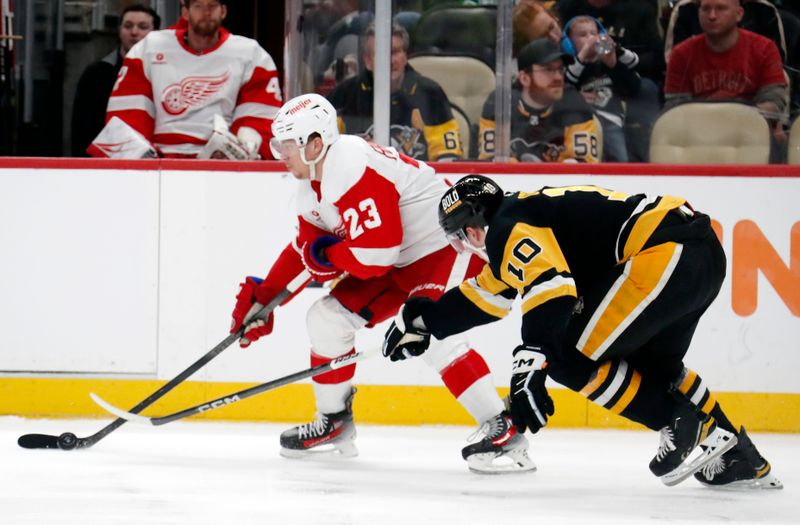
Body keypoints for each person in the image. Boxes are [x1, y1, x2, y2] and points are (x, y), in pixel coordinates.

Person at [383, 174, 783, 489]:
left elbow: (551, 288)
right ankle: (738, 458)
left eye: (457, 239)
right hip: (697, 253)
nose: (463, 248)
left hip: (664, 255)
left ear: (471, 229)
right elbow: (485, 296)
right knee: (650, 365)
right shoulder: (521, 216)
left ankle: (676, 421)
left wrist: (532, 360)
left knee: (564, 353)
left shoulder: (507, 226)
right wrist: (421, 323)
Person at [230, 93, 533, 474]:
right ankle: (335, 422)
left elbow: (375, 254)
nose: (280, 153)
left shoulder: (350, 164)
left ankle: (504, 431)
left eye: (287, 144)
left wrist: (326, 256)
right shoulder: (312, 185)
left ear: (316, 143)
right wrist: (266, 298)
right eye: (278, 144)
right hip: (399, 259)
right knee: (326, 320)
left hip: (441, 248)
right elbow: (306, 248)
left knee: (432, 333)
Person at [99, 0, 282, 159]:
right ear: (185, 12)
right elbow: (127, 116)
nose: (206, 12)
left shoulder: (250, 54)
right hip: (160, 164)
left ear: (223, 11)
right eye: (198, 5)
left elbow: (258, 119)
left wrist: (243, 147)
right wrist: (146, 161)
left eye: (212, 5)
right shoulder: (149, 48)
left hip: (221, 166)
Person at [327, 23, 464, 161]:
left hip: (415, 180)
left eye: (395, 52)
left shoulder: (430, 94)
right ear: (367, 60)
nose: (390, 61)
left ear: (406, 56)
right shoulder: (344, 95)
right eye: (382, 53)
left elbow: (448, 156)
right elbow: (321, 150)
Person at [664, 0, 788, 143]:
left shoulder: (765, 48)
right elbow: (675, 111)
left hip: (752, 138)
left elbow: (772, 106)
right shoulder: (681, 54)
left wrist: (727, 118)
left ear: (739, 14)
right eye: (705, 9)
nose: (712, 16)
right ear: (698, 13)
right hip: (698, 139)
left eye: (721, 8)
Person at [478, 38, 602, 162]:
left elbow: (582, 167)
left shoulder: (574, 104)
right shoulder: (500, 103)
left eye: (560, 69)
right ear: (524, 78)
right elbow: (490, 162)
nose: (558, 77)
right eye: (548, 69)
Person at [71, 4, 160, 157]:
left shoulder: (164, 73)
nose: (134, 32)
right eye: (128, 26)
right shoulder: (97, 73)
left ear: (156, 33)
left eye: (142, 27)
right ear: (119, 31)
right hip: (105, 162)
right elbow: (81, 128)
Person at [562, 15, 641, 162]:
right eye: (583, 35)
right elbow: (568, 82)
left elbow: (634, 86)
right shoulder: (572, 66)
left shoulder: (608, 63)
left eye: (594, 33)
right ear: (569, 43)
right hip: (585, 124)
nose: (591, 39)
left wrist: (613, 64)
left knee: (620, 161)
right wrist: (583, 54)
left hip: (612, 121)